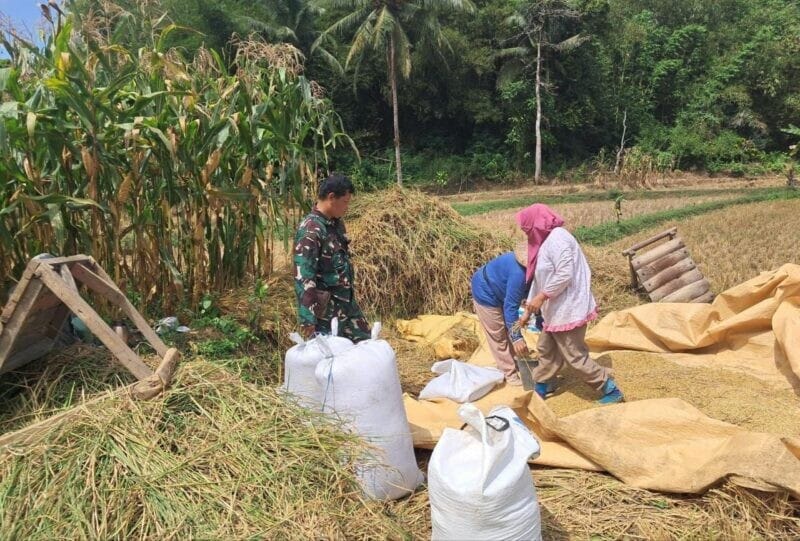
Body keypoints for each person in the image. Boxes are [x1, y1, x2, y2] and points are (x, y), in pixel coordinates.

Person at [516, 203, 624, 404]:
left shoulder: (558, 238)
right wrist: (528, 311)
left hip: (569, 309)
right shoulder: (545, 242)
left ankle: (609, 389)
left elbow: (564, 274)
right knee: (546, 349)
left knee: (574, 356)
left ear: (537, 224)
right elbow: (540, 280)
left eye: (527, 229)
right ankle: (540, 388)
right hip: (555, 311)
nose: (527, 234)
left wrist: (542, 297)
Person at [293, 173, 370, 342]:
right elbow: (304, 275)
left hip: (346, 305)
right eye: (345, 202)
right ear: (331, 197)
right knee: (330, 354)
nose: (347, 207)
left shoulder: (335, 224)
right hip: (326, 313)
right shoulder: (311, 229)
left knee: (366, 345)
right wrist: (307, 317)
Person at [471, 242, 531, 386]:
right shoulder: (519, 275)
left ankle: (516, 363)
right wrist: (517, 338)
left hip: (501, 291)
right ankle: (509, 373)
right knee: (498, 335)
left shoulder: (532, 273)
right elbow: (510, 308)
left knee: (510, 328)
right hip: (485, 291)